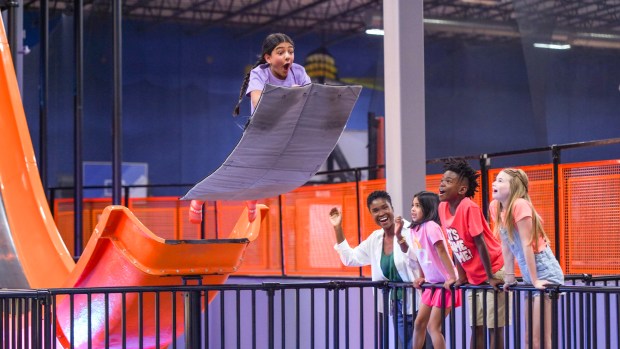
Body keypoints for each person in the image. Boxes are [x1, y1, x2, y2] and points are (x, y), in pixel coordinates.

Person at [190, 33, 311, 224]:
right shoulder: (260, 74)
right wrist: (291, 94)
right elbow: (257, 100)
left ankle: (251, 200)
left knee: (266, 172)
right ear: (268, 58)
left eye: (291, 51)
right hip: (260, 131)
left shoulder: (298, 72)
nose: (288, 56)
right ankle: (200, 196)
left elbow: (311, 97)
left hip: (285, 131)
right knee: (239, 172)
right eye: (281, 52)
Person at [329, 190, 420, 349]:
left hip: (419, 303)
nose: (381, 213)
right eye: (375, 210)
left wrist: (400, 238)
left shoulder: (411, 231)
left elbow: (420, 260)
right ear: (371, 214)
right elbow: (350, 258)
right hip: (396, 304)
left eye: (385, 208)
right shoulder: (375, 238)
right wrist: (338, 228)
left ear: (392, 208)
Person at [489, 168, 564, 349]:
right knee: (529, 337)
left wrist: (536, 279)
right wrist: (509, 276)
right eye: (495, 180)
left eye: (500, 181)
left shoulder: (520, 204)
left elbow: (527, 244)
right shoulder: (496, 207)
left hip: (543, 268)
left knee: (540, 338)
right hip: (528, 269)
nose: (494, 184)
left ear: (513, 186)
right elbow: (506, 245)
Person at [437, 158, 506, 349]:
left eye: (448, 181)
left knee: (494, 327)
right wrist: (461, 276)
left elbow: (480, 243)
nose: (442, 184)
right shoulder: (442, 208)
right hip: (474, 276)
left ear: (462, 190)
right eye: (442, 180)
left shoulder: (469, 207)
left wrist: (491, 277)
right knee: (476, 326)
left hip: (494, 269)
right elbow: (455, 244)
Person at [395, 191, 460, 349]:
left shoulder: (431, 226)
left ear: (429, 208)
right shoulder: (413, 230)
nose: (413, 209)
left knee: (433, 327)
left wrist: (452, 277)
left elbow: (441, 251)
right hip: (432, 284)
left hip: (444, 285)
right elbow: (420, 256)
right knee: (419, 323)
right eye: (412, 205)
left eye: (418, 205)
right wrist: (421, 276)